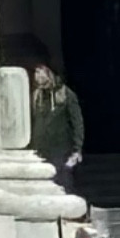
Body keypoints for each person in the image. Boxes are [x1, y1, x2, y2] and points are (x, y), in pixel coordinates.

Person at [30, 58, 86, 190]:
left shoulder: (66, 95)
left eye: (40, 71)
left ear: (49, 72)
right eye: (36, 72)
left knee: (63, 185)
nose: (37, 76)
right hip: (41, 151)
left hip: (62, 151)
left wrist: (77, 149)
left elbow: (77, 123)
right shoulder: (37, 96)